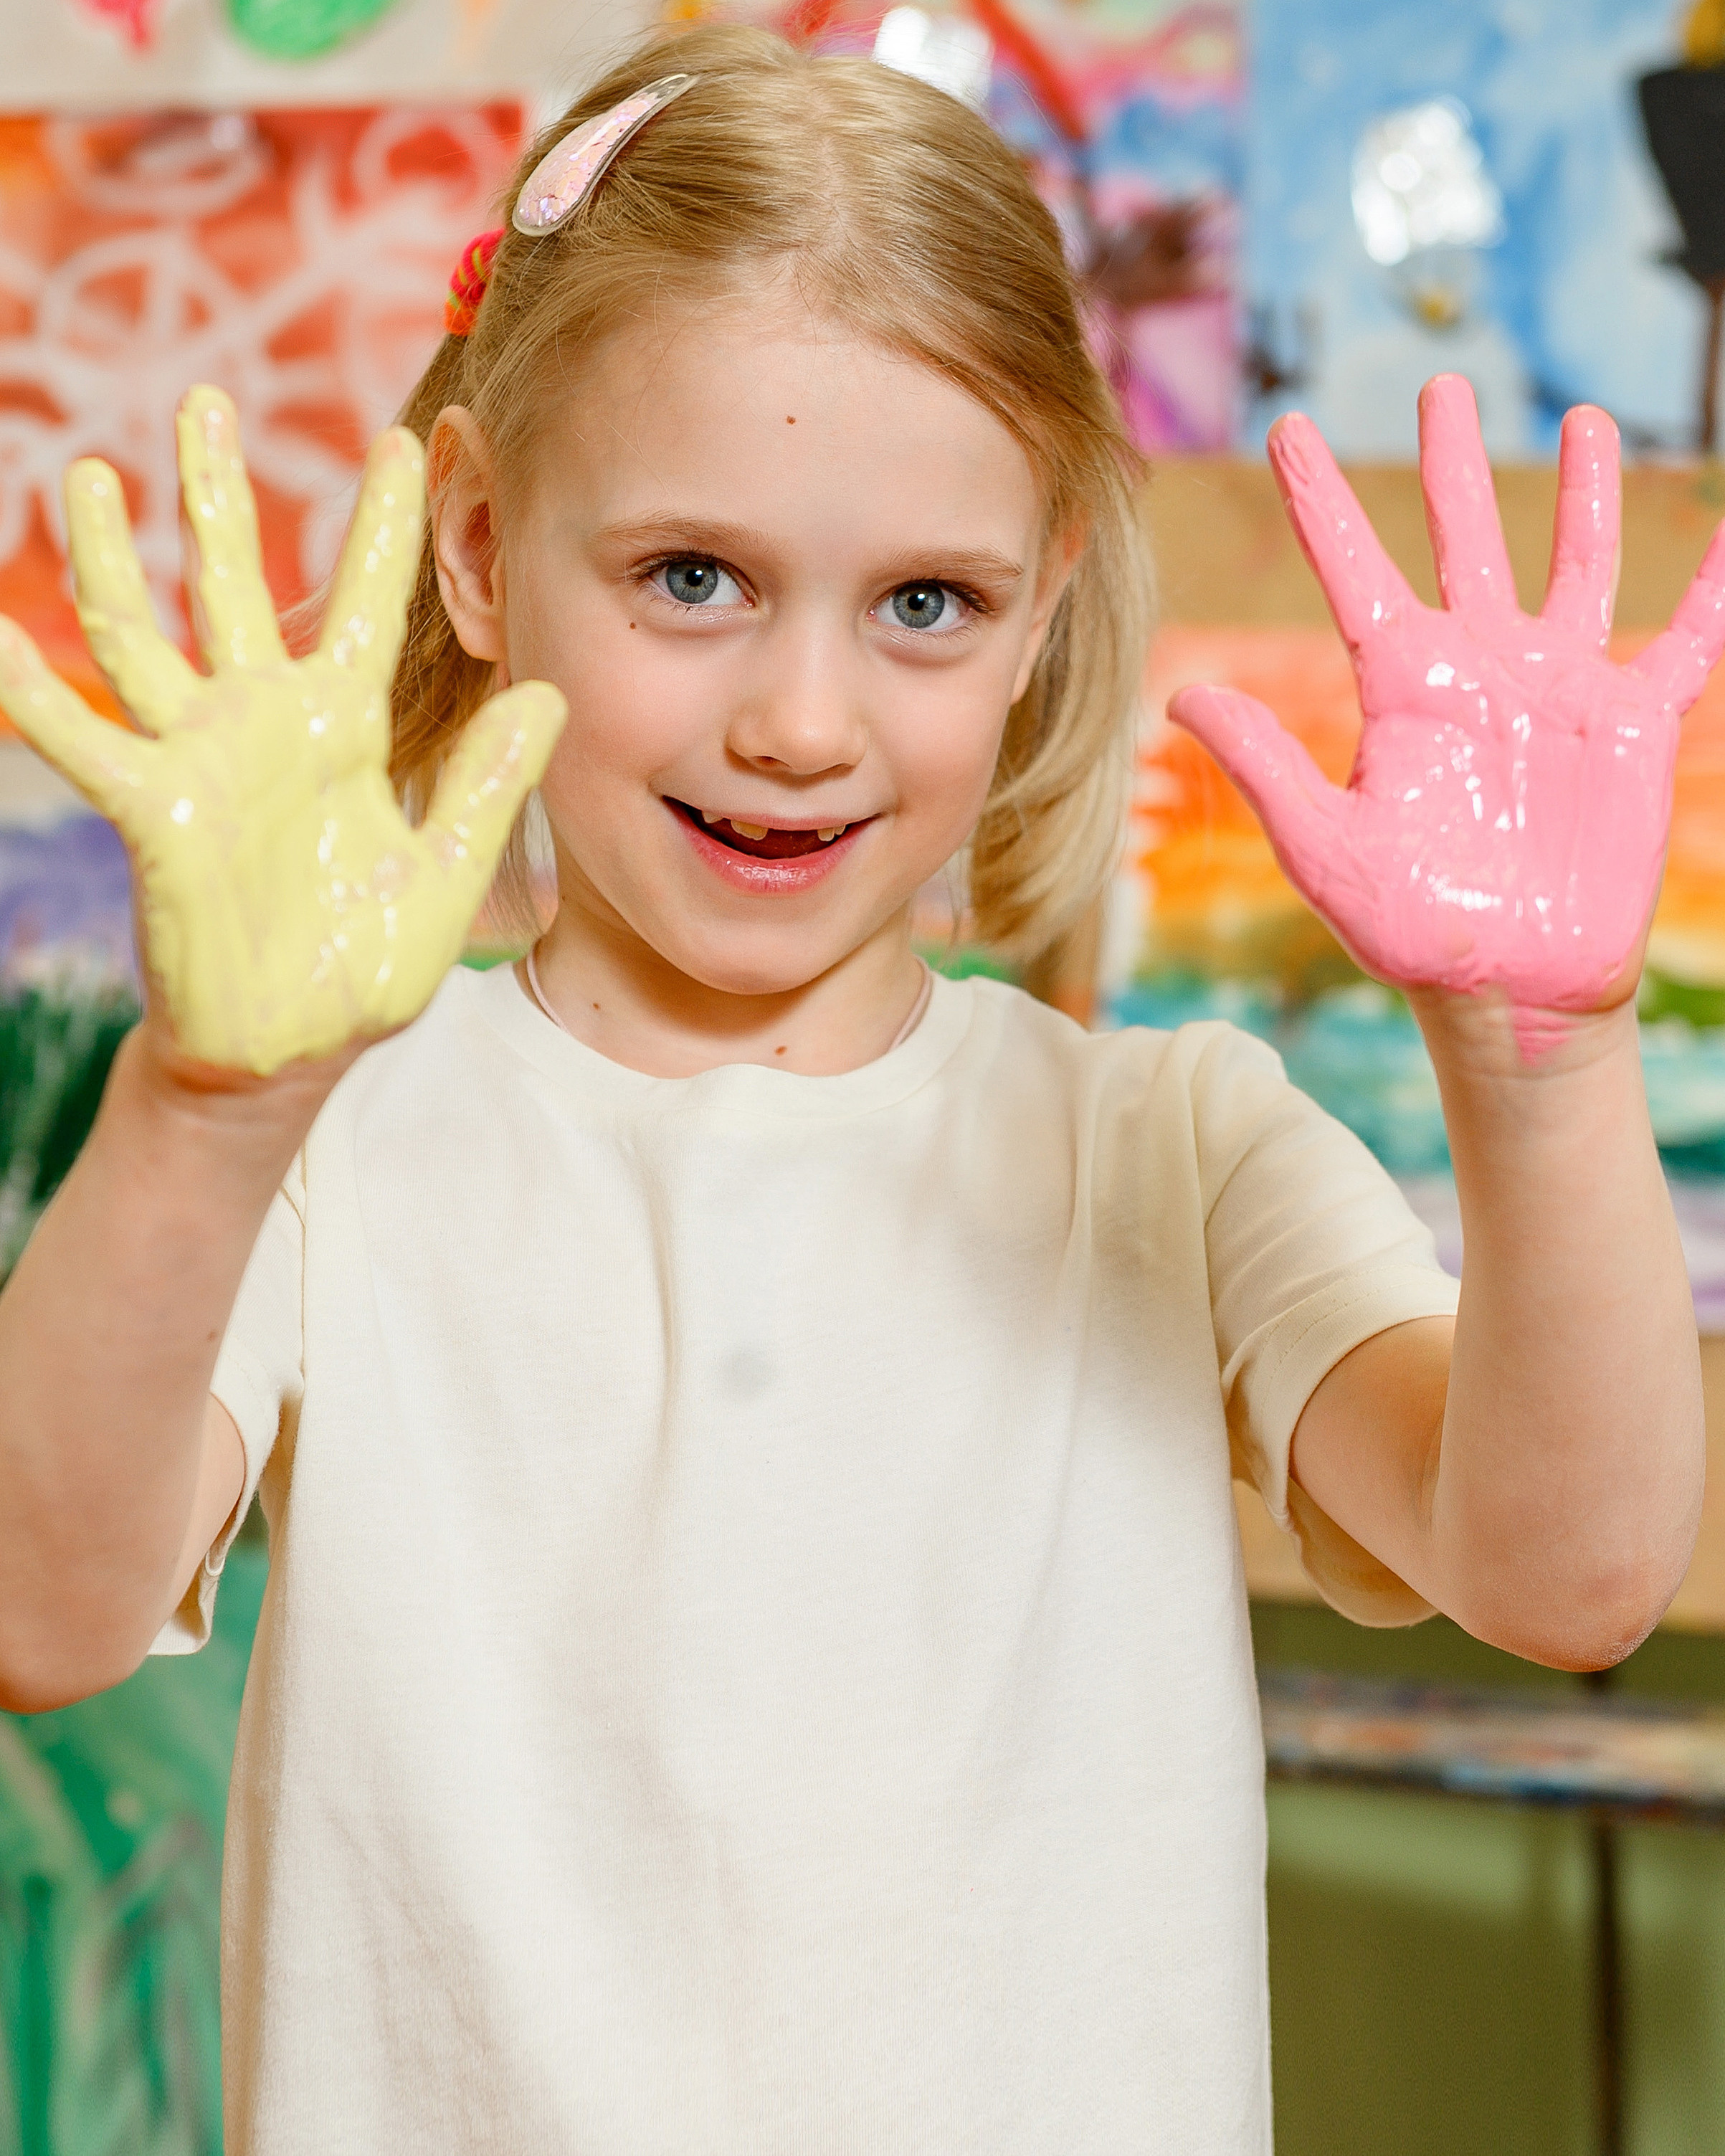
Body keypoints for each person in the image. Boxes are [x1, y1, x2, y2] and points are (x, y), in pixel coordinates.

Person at [0, 24, 1719, 2154]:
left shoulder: (1168, 1152)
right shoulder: (339, 1141)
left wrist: (1544, 1073)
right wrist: (200, 1108)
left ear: (1040, 614)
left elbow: (1572, 1577)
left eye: (925, 604)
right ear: (471, 546)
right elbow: (38, 1610)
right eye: (690, 580)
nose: (803, 718)